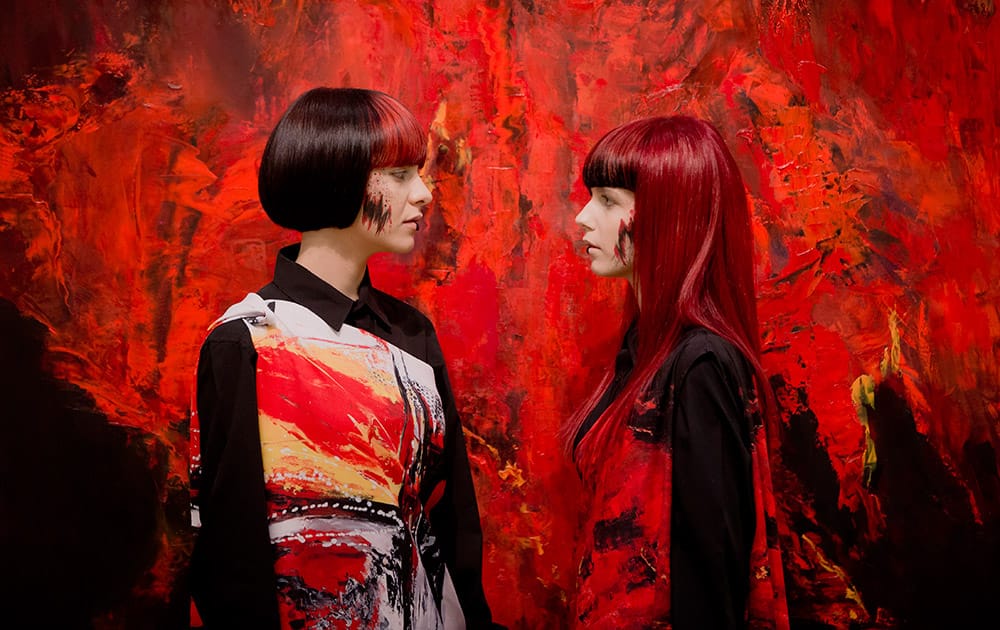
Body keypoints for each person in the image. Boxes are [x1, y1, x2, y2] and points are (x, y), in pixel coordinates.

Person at [189, 87, 498, 629]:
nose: (424, 193)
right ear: (335, 174)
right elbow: (230, 552)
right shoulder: (249, 340)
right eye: (400, 175)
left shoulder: (412, 336)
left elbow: (452, 524)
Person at [565, 116, 789, 629]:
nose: (581, 217)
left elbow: (712, 576)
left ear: (670, 213)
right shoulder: (645, 350)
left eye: (606, 199)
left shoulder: (701, 366)